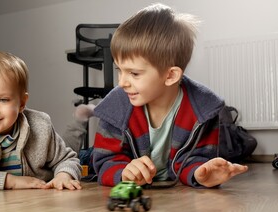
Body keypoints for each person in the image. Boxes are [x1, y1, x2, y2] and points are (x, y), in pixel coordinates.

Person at [92, 3, 248, 188]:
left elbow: (196, 159)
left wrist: (201, 174)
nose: (122, 82)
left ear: (170, 75)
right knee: (85, 157)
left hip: (176, 200)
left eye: (134, 73)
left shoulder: (203, 111)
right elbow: (103, 162)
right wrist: (123, 173)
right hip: (137, 193)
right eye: (120, 70)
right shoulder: (115, 108)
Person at [0, 51, 82, 191]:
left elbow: (67, 159)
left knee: (78, 151)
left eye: (3, 100)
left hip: (36, 203)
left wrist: (64, 175)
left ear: (22, 103)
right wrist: (11, 181)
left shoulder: (40, 124)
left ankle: (80, 121)